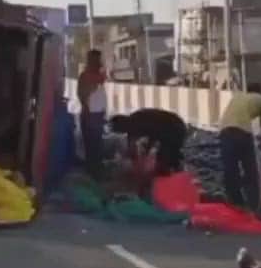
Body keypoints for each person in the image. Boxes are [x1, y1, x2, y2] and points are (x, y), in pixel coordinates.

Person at [218, 82, 261, 210]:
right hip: (242, 133)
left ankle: (236, 204)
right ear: (259, 91)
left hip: (224, 132)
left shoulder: (237, 97)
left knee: (230, 170)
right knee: (250, 170)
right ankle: (254, 206)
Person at [108, 108, 187, 176]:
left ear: (121, 126)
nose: (120, 133)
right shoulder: (132, 123)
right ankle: (175, 173)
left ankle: (171, 177)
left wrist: (145, 152)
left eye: (117, 130)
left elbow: (153, 135)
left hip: (174, 128)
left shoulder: (137, 121)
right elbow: (132, 145)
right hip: (175, 126)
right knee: (169, 155)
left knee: (166, 156)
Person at [76, 49, 107, 179]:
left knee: (96, 146)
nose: (100, 62)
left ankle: (95, 171)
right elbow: (82, 94)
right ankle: (94, 173)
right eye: (98, 59)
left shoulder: (97, 75)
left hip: (97, 115)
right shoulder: (86, 76)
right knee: (93, 147)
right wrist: (87, 111)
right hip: (91, 115)